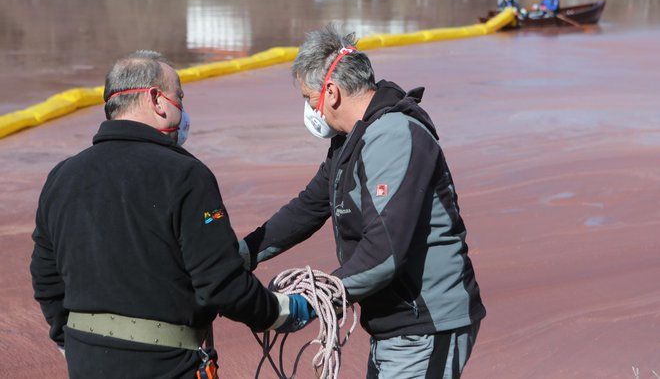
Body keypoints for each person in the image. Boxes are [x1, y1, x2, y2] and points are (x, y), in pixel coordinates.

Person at [30, 50, 313, 378]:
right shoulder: (186, 176)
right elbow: (221, 282)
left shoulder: (63, 176)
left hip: (86, 363)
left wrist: (73, 343)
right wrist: (280, 311)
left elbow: (45, 276)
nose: (183, 107)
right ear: (156, 99)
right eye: (179, 95)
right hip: (167, 365)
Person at [239, 25, 486, 378]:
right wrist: (243, 254)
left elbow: (383, 252)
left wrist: (315, 300)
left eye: (309, 98)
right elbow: (308, 207)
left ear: (332, 92)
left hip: (427, 323)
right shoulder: (349, 142)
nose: (311, 110)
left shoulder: (394, 135)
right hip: (395, 326)